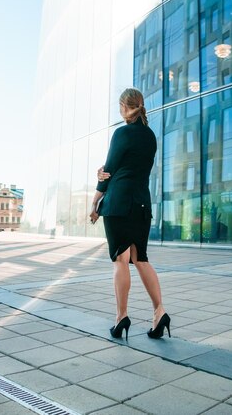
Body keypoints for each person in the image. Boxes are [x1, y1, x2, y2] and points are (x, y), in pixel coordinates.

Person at [89, 88, 170, 340]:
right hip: (142, 204)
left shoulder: (121, 133)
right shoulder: (150, 137)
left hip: (118, 204)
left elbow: (109, 171)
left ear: (125, 107)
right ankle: (160, 312)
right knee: (141, 258)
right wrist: (107, 171)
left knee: (120, 260)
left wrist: (94, 204)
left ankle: (121, 317)